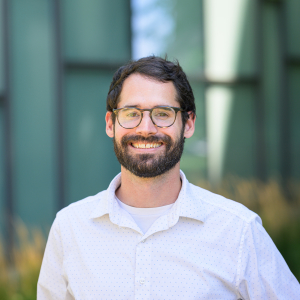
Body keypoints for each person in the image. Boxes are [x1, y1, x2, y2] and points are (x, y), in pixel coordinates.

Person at [38, 56, 300, 299]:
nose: (146, 129)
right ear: (110, 124)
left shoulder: (239, 231)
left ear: (188, 124)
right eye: (131, 114)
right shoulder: (69, 228)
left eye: (163, 114)